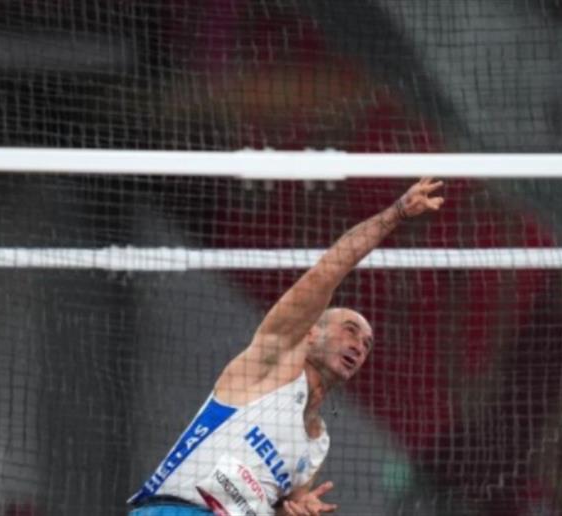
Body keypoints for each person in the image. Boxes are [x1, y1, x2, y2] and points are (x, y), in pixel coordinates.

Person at [128, 178, 445, 516]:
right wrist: (396, 214)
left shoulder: (317, 443)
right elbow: (329, 269)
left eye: (367, 344)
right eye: (350, 331)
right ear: (311, 334)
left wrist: (295, 511)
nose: (358, 345)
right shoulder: (270, 362)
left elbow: (281, 508)